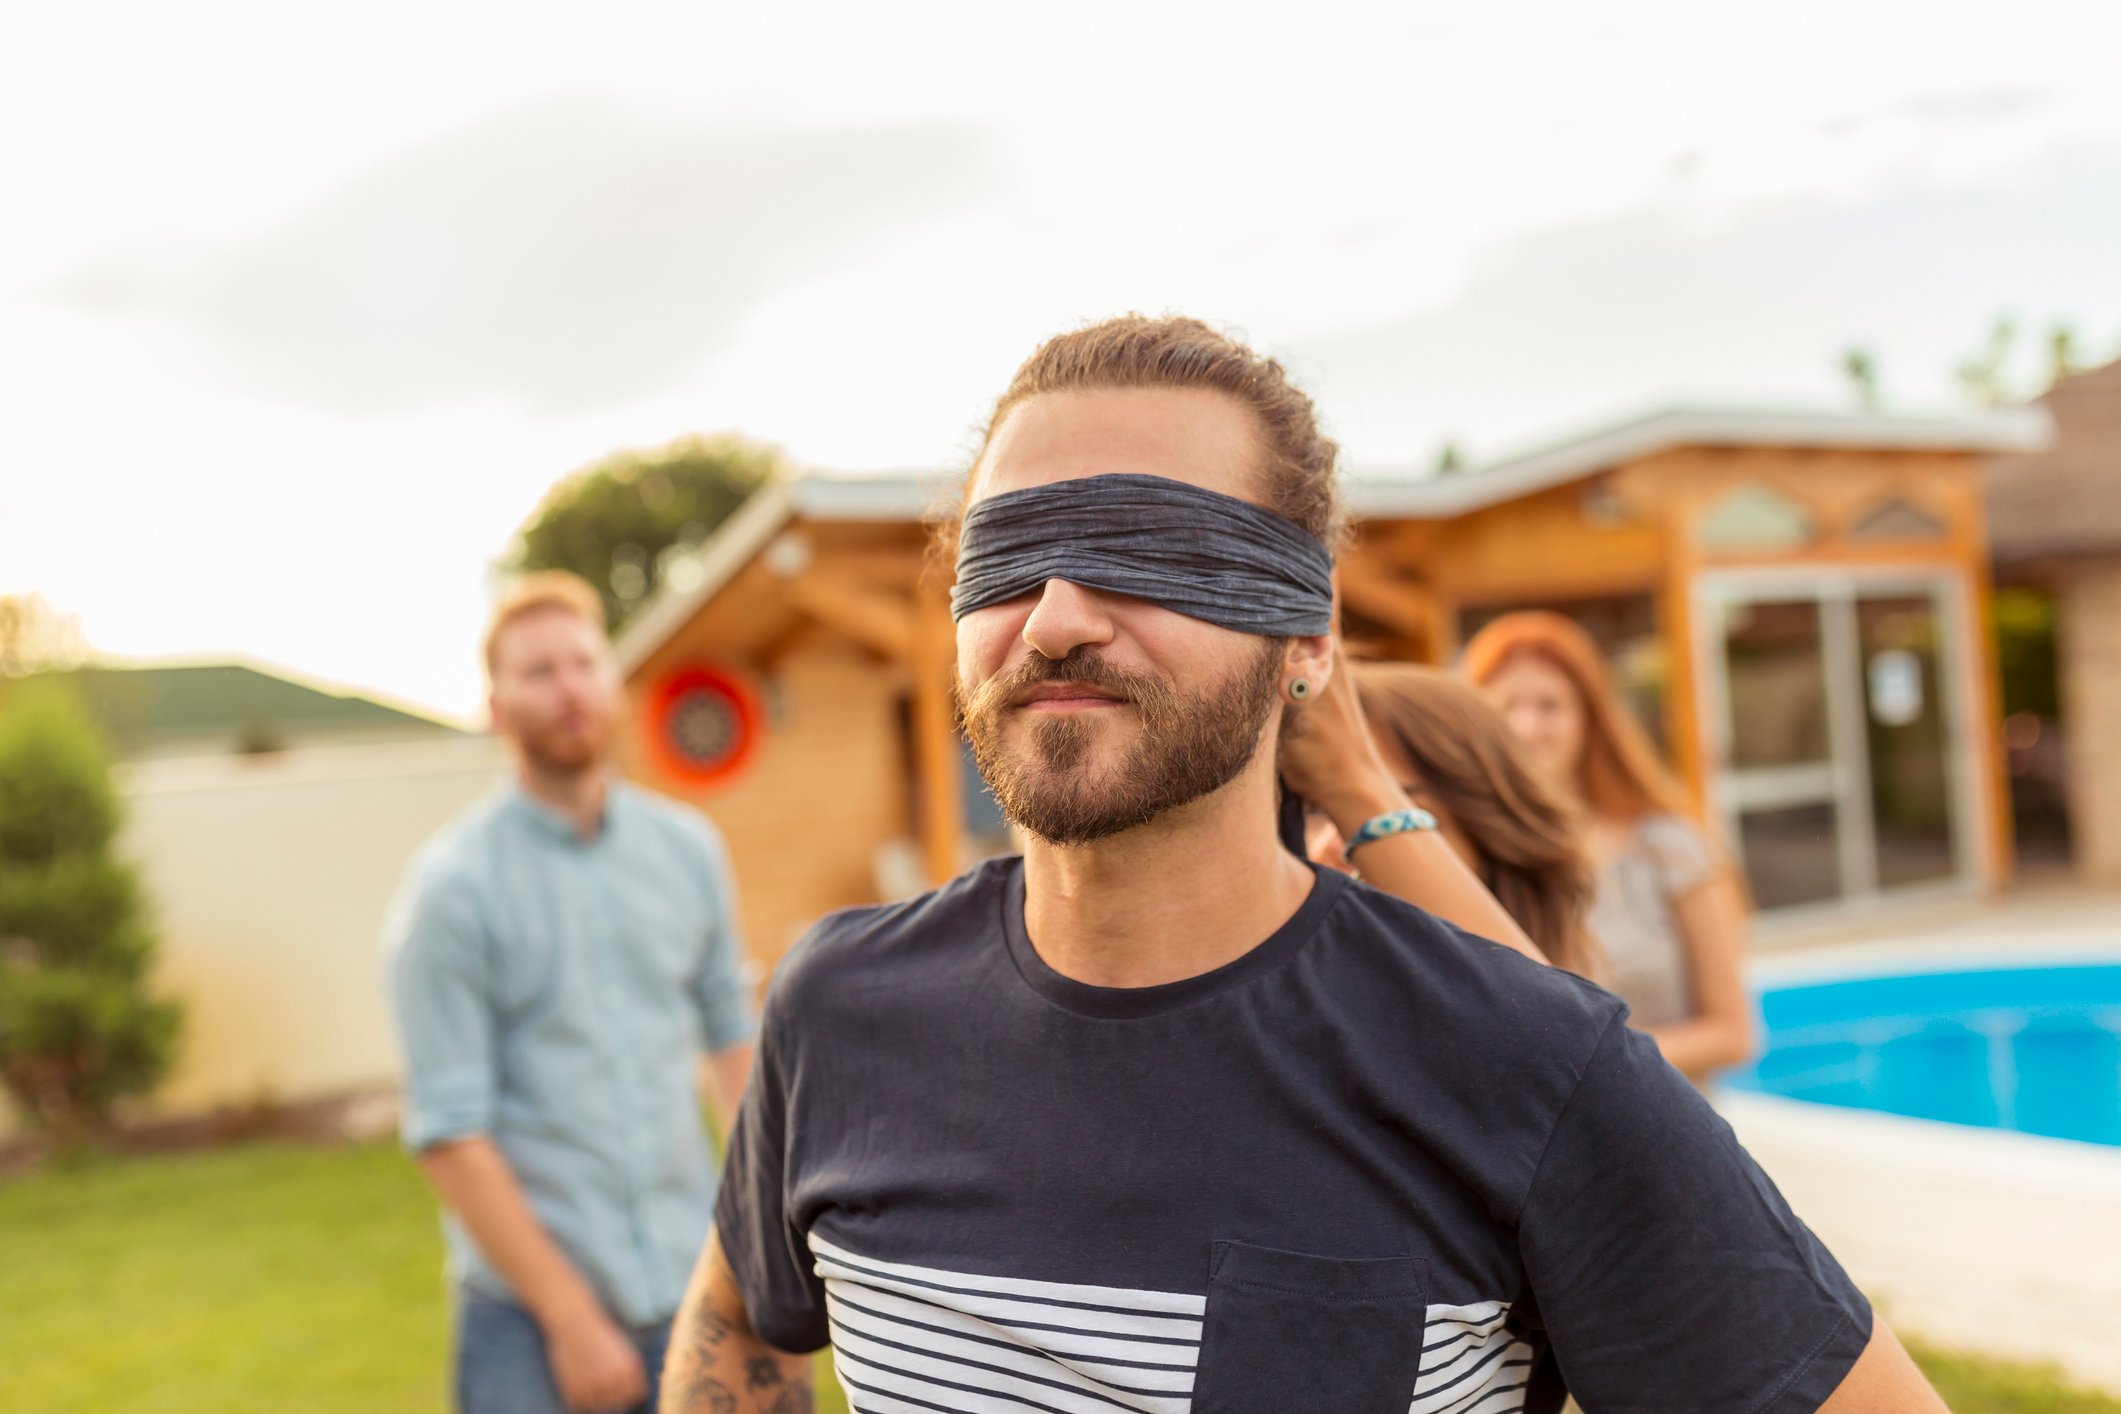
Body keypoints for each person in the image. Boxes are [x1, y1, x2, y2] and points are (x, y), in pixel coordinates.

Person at [660, 315, 1942, 1413]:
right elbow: (737, 1328)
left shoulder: (1525, 1063)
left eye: (1147, 548)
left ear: (1307, 639)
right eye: (1007, 557)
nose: (1054, 618)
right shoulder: (838, 1005)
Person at [386, 572, 768, 1414]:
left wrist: (756, 1255)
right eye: (537, 671)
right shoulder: (451, 891)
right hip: (529, 1325)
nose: (568, 688)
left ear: (614, 682)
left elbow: (731, 1042)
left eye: (583, 663)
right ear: (494, 705)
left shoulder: (688, 852)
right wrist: (570, 1321)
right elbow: (451, 1133)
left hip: (697, 1291)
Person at [1462, 611, 1755, 1084]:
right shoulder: (1464, 859)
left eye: (1549, 706)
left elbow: (1733, 1033)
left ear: (1589, 719)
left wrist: (1592, 1069)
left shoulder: (1669, 846)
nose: (1525, 726)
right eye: (1505, 706)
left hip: (1672, 1137)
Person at [1293, 657, 1600, 979]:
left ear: (1487, 828)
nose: (1328, 845)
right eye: (1311, 811)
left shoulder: (1569, 1014)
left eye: (1386, 806)